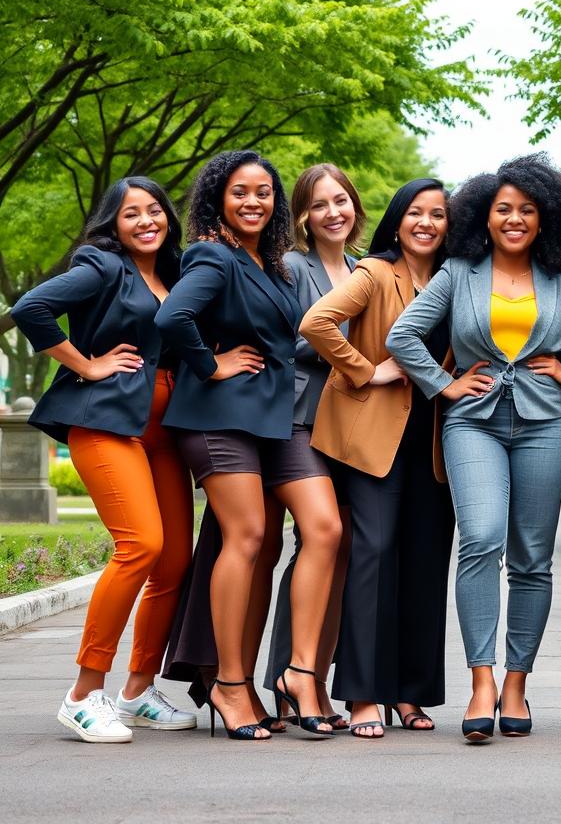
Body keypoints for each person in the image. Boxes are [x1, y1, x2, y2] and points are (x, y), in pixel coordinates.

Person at [387, 153, 561, 743]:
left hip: (548, 426)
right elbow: (405, 334)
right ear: (484, 216)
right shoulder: (458, 273)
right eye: (504, 209)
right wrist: (443, 384)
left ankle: (517, 682)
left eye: (527, 209)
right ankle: (481, 681)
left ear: (544, 216)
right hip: (472, 422)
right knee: (480, 538)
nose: (515, 218)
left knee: (531, 557)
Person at [158, 150, 340, 740]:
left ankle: (299, 673)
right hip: (218, 418)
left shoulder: (272, 264)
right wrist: (210, 366)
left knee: (325, 527)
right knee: (248, 536)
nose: (254, 202)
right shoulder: (212, 254)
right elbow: (173, 318)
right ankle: (230, 684)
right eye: (240, 192)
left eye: (264, 192)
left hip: (274, 419)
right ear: (218, 199)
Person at [12, 177, 196, 742]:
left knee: (173, 562)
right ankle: (82, 694)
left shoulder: (177, 272)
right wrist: (86, 364)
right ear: (113, 224)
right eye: (131, 213)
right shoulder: (101, 266)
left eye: (155, 210)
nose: (146, 221)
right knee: (141, 545)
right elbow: (30, 307)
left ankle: (137, 692)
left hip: (168, 430)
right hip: (107, 421)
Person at [299, 178, 455, 738]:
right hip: (371, 437)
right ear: (397, 219)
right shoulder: (374, 272)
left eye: (438, 214)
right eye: (417, 212)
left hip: (435, 440)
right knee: (375, 554)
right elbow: (315, 323)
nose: (427, 223)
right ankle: (364, 694)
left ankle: (411, 695)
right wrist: (365, 368)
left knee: (425, 562)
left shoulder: (456, 278)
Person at [260, 164, 363, 731]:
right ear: (301, 215)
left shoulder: (359, 267)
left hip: (346, 427)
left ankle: (307, 680)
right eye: (320, 204)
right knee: (322, 533)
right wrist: (360, 363)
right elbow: (293, 337)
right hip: (295, 419)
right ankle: (297, 672)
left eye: (341, 200)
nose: (334, 212)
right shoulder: (291, 266)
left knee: (333, 551)